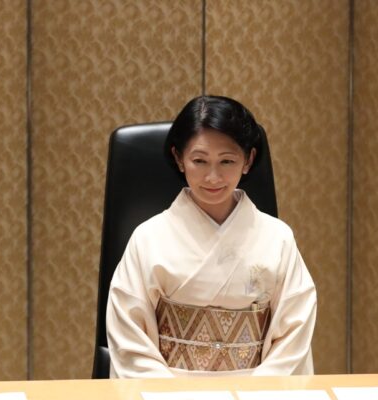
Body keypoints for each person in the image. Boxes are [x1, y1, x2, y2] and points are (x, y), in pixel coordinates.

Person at [106, 95, 316, 377]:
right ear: (179, 158)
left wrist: (258, 398)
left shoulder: (278, 238)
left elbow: (294, 335)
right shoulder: (148, 238)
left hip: (257, 396)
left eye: (227, 161)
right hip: (169, 399)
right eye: (199, 161)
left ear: (248, 160)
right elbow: (129, 338)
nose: (213, 177)